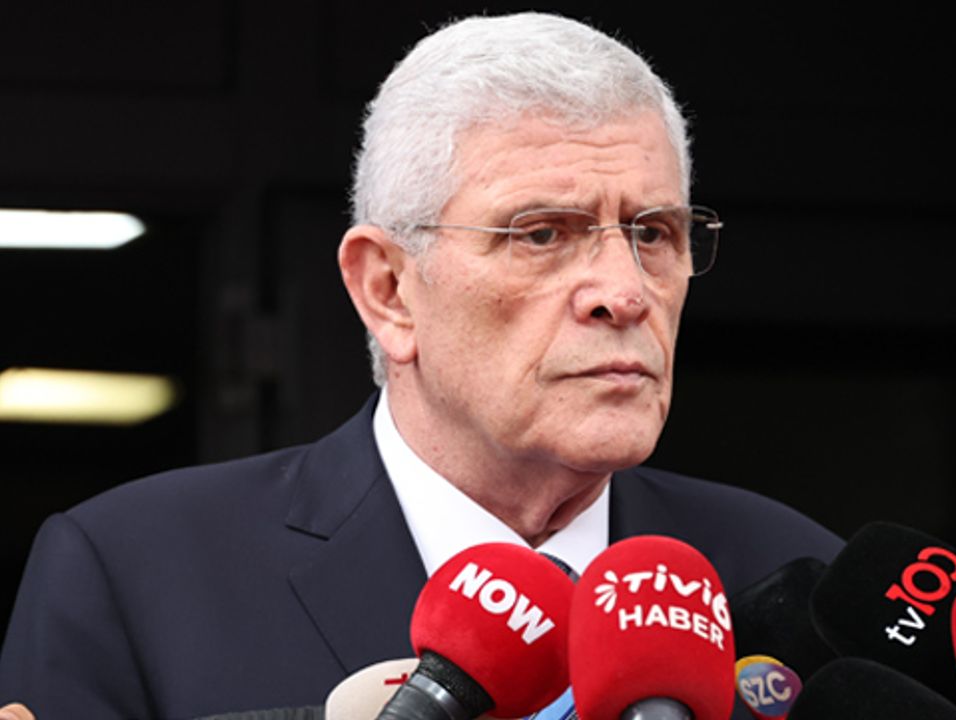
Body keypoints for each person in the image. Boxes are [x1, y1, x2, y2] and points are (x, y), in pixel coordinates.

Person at [0, 13, 842, 718]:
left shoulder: (802, 585)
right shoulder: (135, 576)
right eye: (541, 234)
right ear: (389, 289)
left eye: (653, 233)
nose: (624, 292)